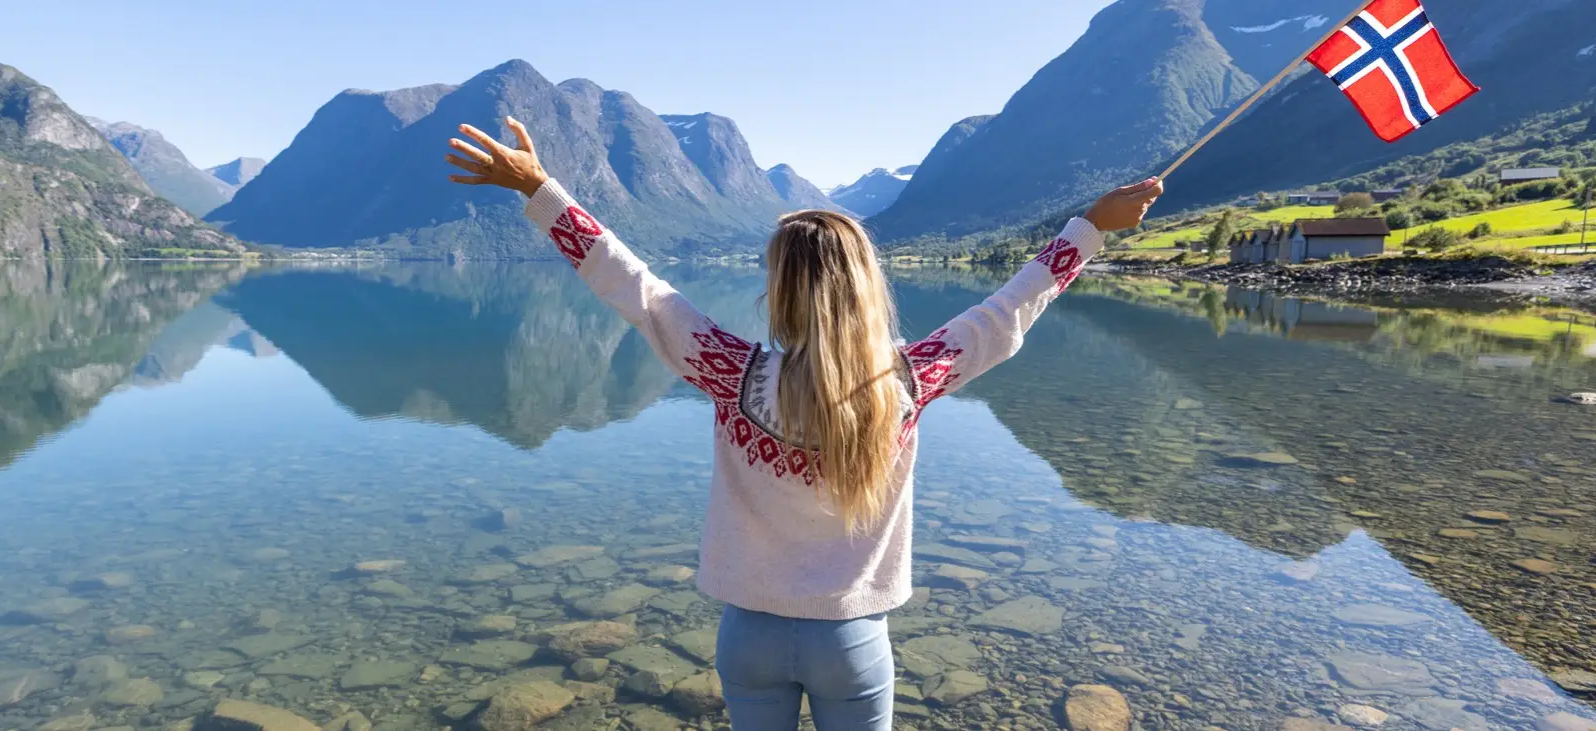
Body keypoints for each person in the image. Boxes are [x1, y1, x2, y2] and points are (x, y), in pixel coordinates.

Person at [447, 118, 1160, 731]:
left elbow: (634, 287)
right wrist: (1090, 228)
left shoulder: (730, 372)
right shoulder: (909, 381)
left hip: (749, 633)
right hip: (853, 639)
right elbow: (1008, 310)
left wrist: (539, 188)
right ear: (867, 286)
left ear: (779, 290)